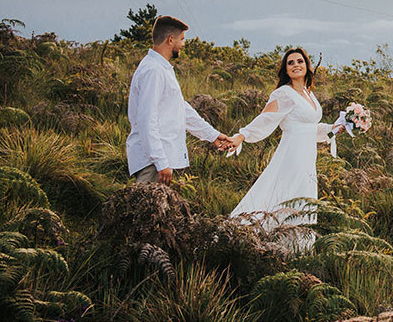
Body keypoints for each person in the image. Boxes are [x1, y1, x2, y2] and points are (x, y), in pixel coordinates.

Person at [227, 47, 344, 239]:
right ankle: (253, 236)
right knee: (285, 194)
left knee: (303, 197)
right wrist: (242, 136)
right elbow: (264, 119)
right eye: (291, 63)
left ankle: (296, 243)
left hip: (308, 157)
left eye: (300, 61)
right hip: (292, 155)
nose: (296, 65)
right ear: (286, 69)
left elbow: (311, 128)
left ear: (306, 65)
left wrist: (334, 128)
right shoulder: (283, 94)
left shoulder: (308, 93)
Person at [126, 15, 234, 184]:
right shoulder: (153, 70)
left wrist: (213, 135)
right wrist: (160, 161)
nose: (183, 44)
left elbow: (180, 110)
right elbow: (146, 119)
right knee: (145, 201)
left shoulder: (162, 68)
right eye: (182, 39)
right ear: (170, 40)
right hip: (152, 162)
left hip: (159, 160)